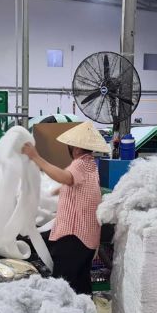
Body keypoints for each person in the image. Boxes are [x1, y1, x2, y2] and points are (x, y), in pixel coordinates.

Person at [21, 122, 110, 294]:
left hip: (74, 237)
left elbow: (66, 177)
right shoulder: (91, 165)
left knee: (62, 285)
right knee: (80, 283)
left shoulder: (80, 164)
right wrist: (60, 190)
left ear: (76, 148)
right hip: (88, 237)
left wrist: (36, 157)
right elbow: (80, 185)